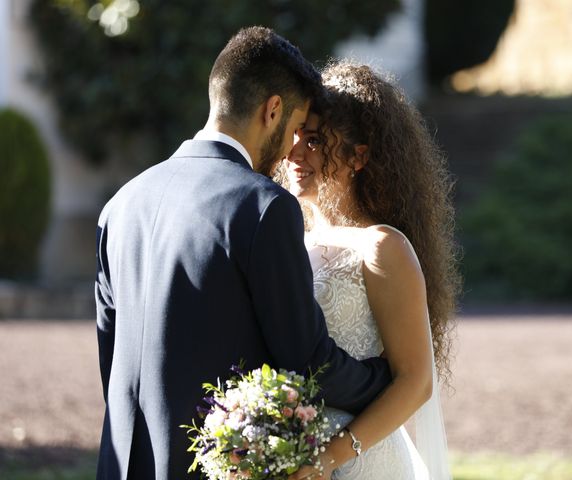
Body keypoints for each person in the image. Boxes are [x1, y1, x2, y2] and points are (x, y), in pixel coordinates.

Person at [94, 28, 392, 480]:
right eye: (295, 129)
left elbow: (111, 353)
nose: (294, 148)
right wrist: (387, 378)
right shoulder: (263, 206)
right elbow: (308, 360)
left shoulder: (120, 205)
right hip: (214, 466)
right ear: (272, 110)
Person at [281, 61, 460, 479]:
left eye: (314, 141)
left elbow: (416, 381)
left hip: (362, 463)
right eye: (294, 138)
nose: (293, 154)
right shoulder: (288, 242)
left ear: (357, 156)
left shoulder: (382, 246)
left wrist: (326, 460)